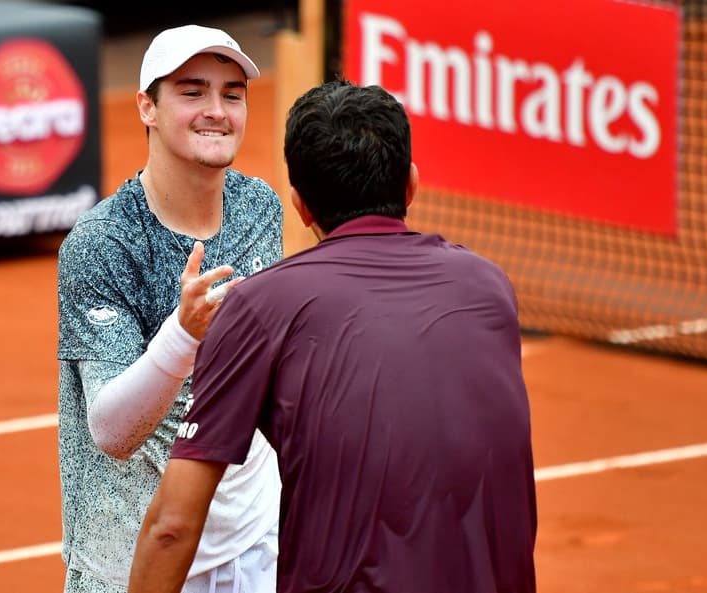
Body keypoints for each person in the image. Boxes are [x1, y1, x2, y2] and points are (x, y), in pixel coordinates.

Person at [128, 80, 537, 593]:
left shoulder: (258, 306)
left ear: (300, 205)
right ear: (410, 184)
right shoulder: (490, 286)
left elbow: (172, 528)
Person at [56, 24, 282, 593]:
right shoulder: (103, 243)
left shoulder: (261, 208)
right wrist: (182, 334)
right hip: (132, 561)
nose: (217, 110)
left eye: (232, 94)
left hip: (254, 549)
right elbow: (111, 430)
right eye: (192, 91)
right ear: (147, 108)